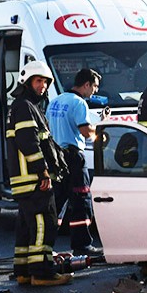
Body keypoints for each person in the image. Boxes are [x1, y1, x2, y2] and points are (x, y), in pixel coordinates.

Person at [6, 60, 72, 286]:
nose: (42, 86)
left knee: (27, 225)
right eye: (38, 81)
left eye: (45, 82)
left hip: (25, 180)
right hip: (34, 179)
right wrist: (43, 172)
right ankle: (42, 273)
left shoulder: (24, 106)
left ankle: (23, 271)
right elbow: (28, 142)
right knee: (46, 223)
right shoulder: (25, 107)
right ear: (26, 82)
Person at [46, 68, 106, 257]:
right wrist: (101, 137)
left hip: (55, 157)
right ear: (86, 84)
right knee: (81, 200)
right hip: (73, 157)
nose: (94, 91)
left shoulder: (55, 102)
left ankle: (45, 245)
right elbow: (85, 131)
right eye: (94, 86)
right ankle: (82, 245)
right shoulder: (79, 103)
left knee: (57, 201)